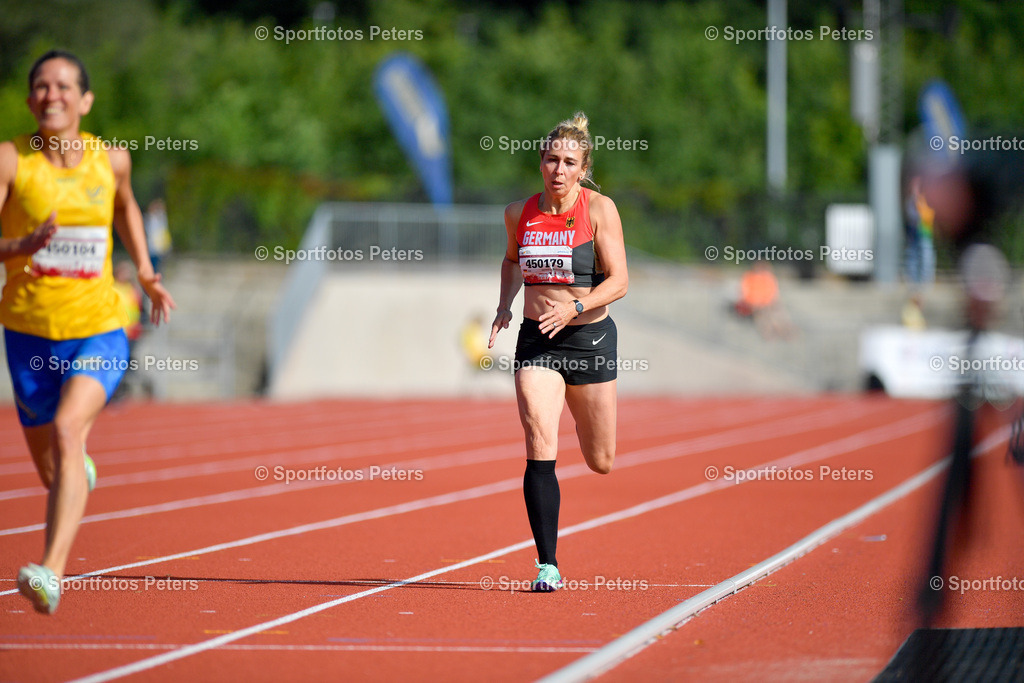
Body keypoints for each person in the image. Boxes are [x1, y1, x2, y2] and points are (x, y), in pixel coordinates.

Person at [0, 50, 175, 614]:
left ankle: (50, 573)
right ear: (30, 100)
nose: (51, 95)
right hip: (28, 333)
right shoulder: (11, 161)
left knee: (68, 430)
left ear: (85, 100)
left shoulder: (112, 160)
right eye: (41, 86)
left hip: (99, 327)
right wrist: (20, 246)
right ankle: (77, 468)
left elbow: (126, 209)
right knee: (54, 467)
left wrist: (144, 271)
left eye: (63, 86)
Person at [488, 112, 628, 592]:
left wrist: (575, 306)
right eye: (552, 160)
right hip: (537, 341)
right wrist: (504, 305)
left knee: (600, 459)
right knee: (537, 440)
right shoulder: (518, 213)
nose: (559, 170)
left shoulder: (600, 209)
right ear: (540, 162)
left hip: (589, 340)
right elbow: (511, 261)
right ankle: (547, 564)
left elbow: (620, 281)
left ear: (584, 167)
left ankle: (581, 414)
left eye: (569, 162)